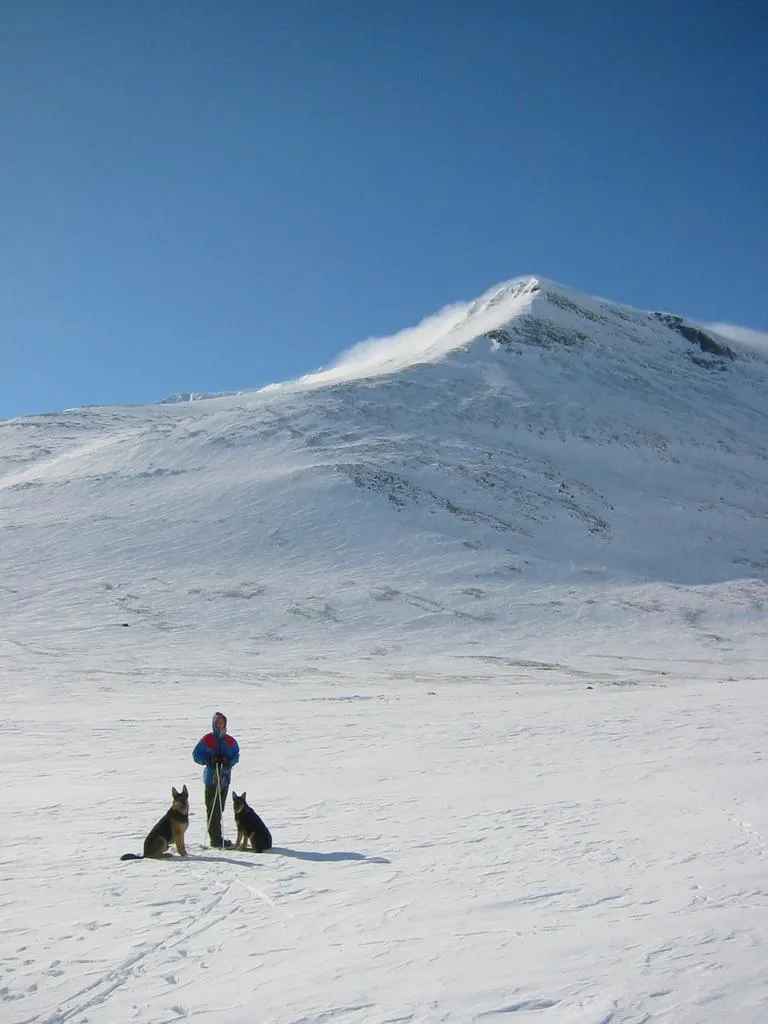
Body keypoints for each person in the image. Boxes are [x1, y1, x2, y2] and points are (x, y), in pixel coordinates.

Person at [193, 711, 240, 848]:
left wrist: (228, 761)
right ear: (214, 724)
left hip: (224, 778)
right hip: (212, 779)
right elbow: (196, 754)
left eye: (223, 722)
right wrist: (209, 760)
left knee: (220, 808)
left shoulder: (230, 740)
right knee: (212, 809)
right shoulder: (207, 739)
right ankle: (215, 839)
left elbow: (236, 755)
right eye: (218, 722)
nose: (221, 725)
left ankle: (217, 837)